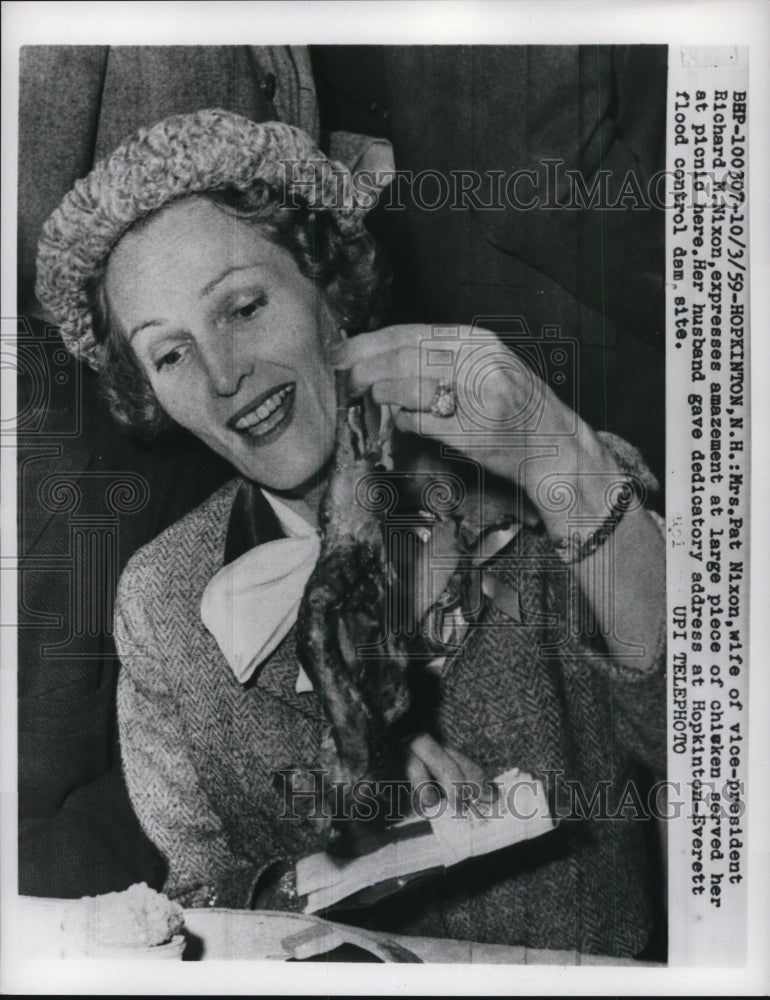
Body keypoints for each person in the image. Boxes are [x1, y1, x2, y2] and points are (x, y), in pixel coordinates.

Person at [36, 108, 666, 956]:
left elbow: (716, 754)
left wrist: (562, 456)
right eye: (171, 354)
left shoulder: (555, 486)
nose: (225, 376)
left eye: (244, 307)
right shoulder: (160, 601)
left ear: (328, 286)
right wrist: (348, 859)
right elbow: (195, 903)